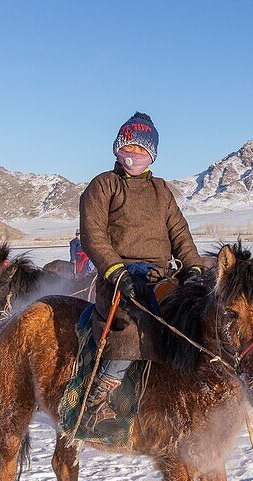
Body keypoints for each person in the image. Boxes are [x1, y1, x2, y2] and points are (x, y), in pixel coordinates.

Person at [79, 112, 202, 416]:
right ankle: (103, 391)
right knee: (133, 324)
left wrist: (193, 268)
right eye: (129, 147)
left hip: (161, 276)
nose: (134, 154)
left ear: (152, 155)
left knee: (194, 319)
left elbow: (179, 233)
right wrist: (115, 271)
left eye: (142, 149)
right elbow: (93, 234)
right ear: (118, 148)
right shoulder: (104, 185)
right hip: (120, 276)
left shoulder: (161, 190)